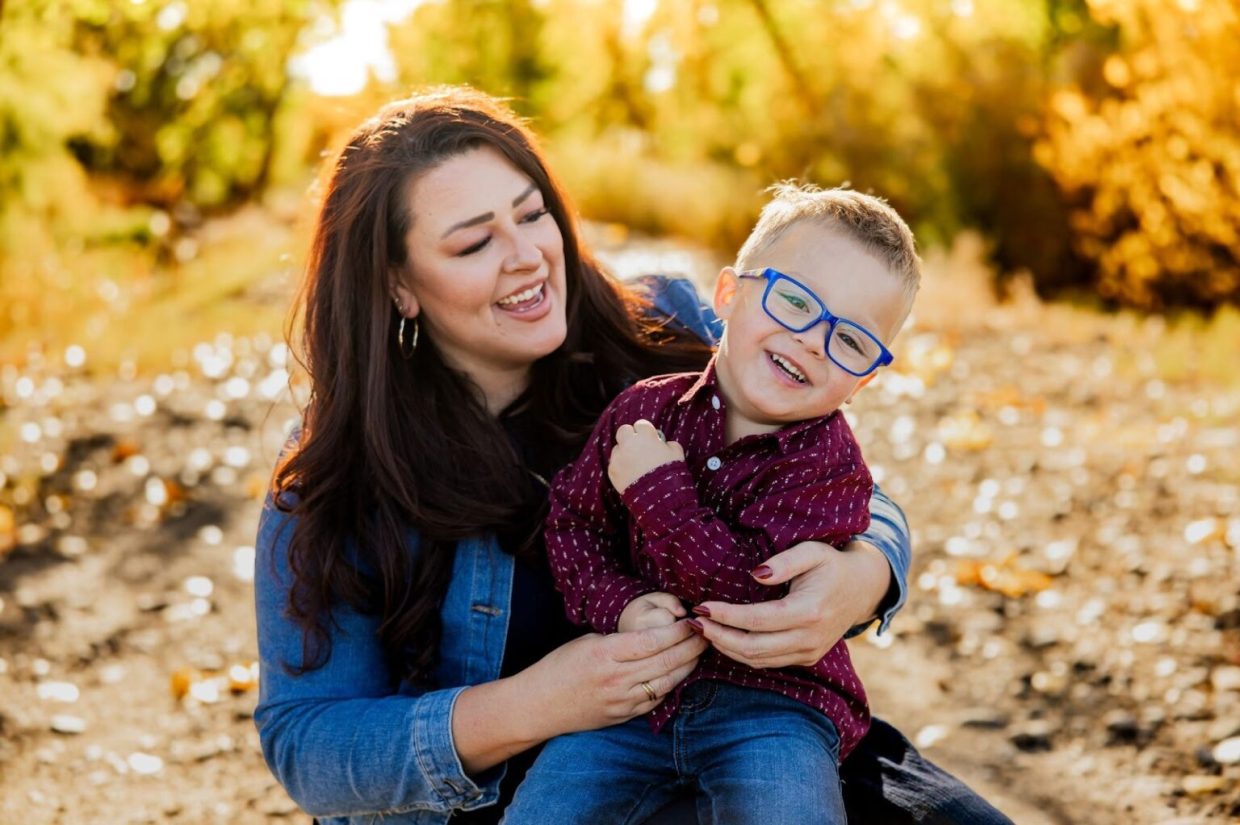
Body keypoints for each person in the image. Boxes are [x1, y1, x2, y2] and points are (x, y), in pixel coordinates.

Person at [253, 85, 1013, 825]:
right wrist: (536, 702)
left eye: (532, 213)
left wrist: (867, 572)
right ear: (398, 285)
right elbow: (308, 745)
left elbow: (820, 465)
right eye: (475, 242)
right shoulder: (337, 470)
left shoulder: (661, 329)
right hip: (546, 779)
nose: (527, 257)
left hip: (760, 719)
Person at [502, 185, 920, 825]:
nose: (812, 340)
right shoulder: (642, 411)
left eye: (852, 341)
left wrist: (659, 493)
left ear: (864, 379)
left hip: (776, 709)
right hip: (632, 701)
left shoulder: (831, 471)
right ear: (727, 295)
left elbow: (747, 602)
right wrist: (619, 604)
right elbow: (575, 524)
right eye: (794, 300)